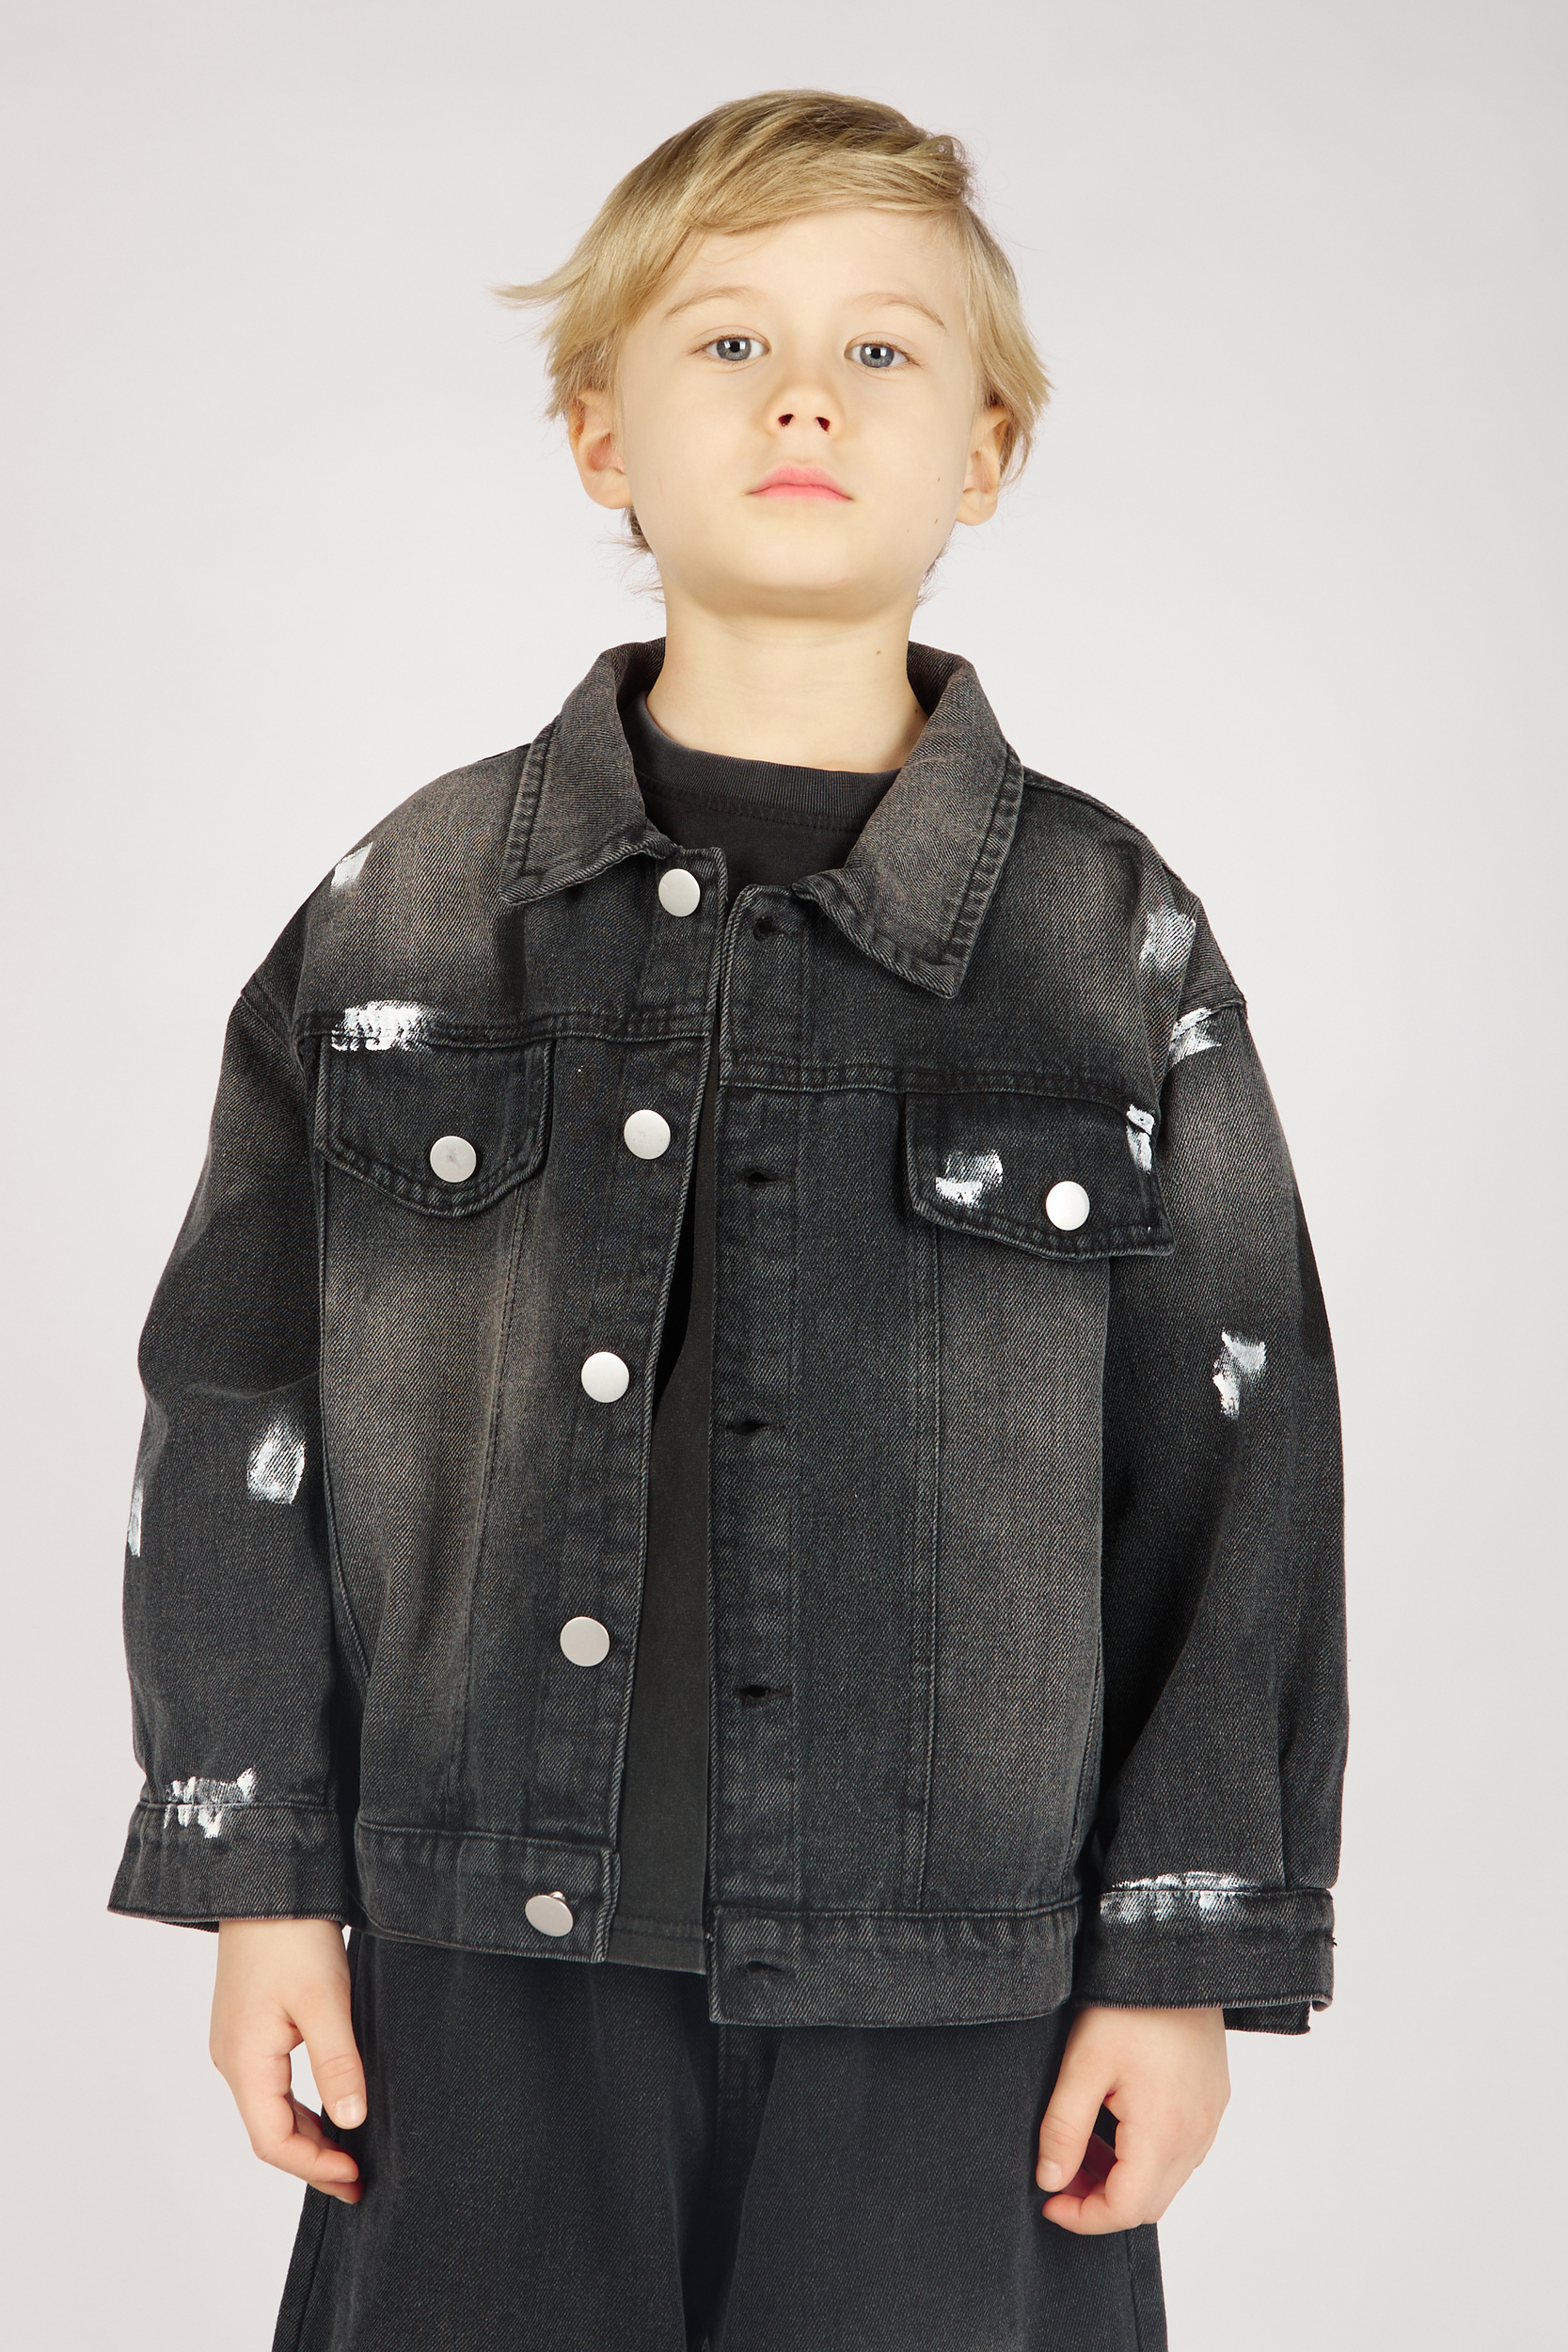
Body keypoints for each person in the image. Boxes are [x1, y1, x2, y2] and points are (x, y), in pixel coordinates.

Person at [111, 88, 1348, 2352]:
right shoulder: (410, 911)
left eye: (881, 349)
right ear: (601, 434)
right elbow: (232, 1398)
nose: (804, 397)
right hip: (479, 1958)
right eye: (728, 344)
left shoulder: (1106, 939)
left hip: (958, 1990)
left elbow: (1238, 1461)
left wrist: (1180, 1954)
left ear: (986, 451)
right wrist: (260, 1874)